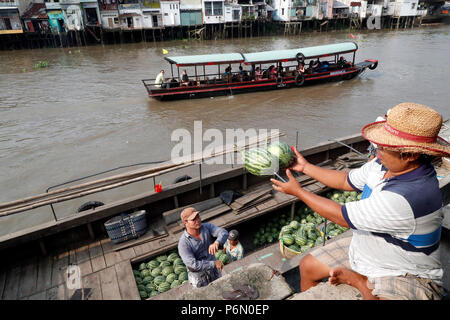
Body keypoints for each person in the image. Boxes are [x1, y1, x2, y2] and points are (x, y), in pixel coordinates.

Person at [270, 102, 449, 300]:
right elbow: (346, 180)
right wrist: (305, 167)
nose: (377, 149)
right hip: (371, 249)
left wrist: (299, 192)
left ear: (410, 154)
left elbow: (341, 216)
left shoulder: (408, 196)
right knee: (308, 266)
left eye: (384, 145)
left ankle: (358, 281)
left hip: (404, 269)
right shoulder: (383, 164)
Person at [178, 207, 229, 288]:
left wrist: (217, 242)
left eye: (198, 216)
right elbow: (193, 264)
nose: (197, 220)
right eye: (193, 219)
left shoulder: (206, 227)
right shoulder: (183, 243)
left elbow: (223, 232)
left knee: (221, 289)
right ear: (185, 222)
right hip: (198, 276)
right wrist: (213, 263)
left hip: (213, 271)